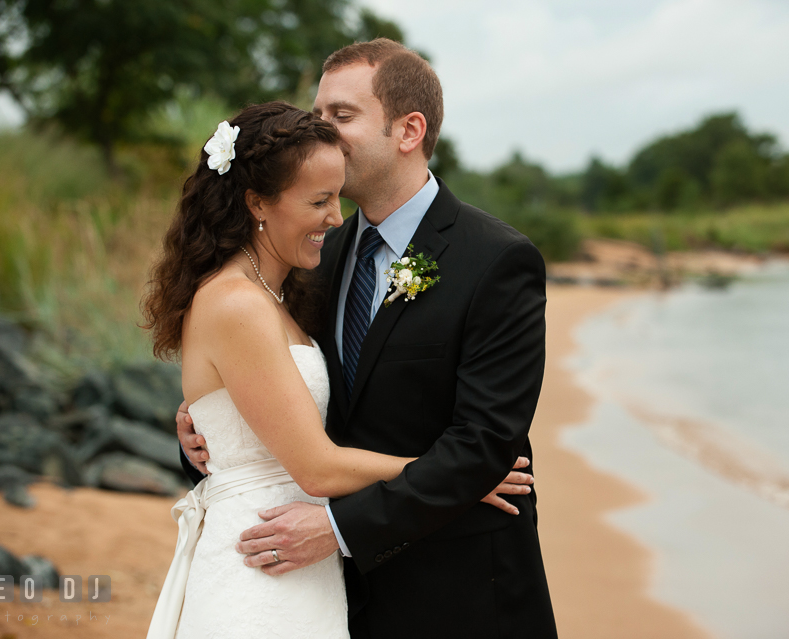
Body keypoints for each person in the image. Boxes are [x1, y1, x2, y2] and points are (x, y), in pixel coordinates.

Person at [178, 39, 557, 638]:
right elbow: (282, 399)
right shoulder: (311, 257)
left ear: (408, 130)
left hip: (459, 593)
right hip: (328, 592)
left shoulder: (497, 261)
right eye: (317, 112)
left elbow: (483, 444)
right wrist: (208, 424)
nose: (319, 131)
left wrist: (337, 527)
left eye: (341, 116)